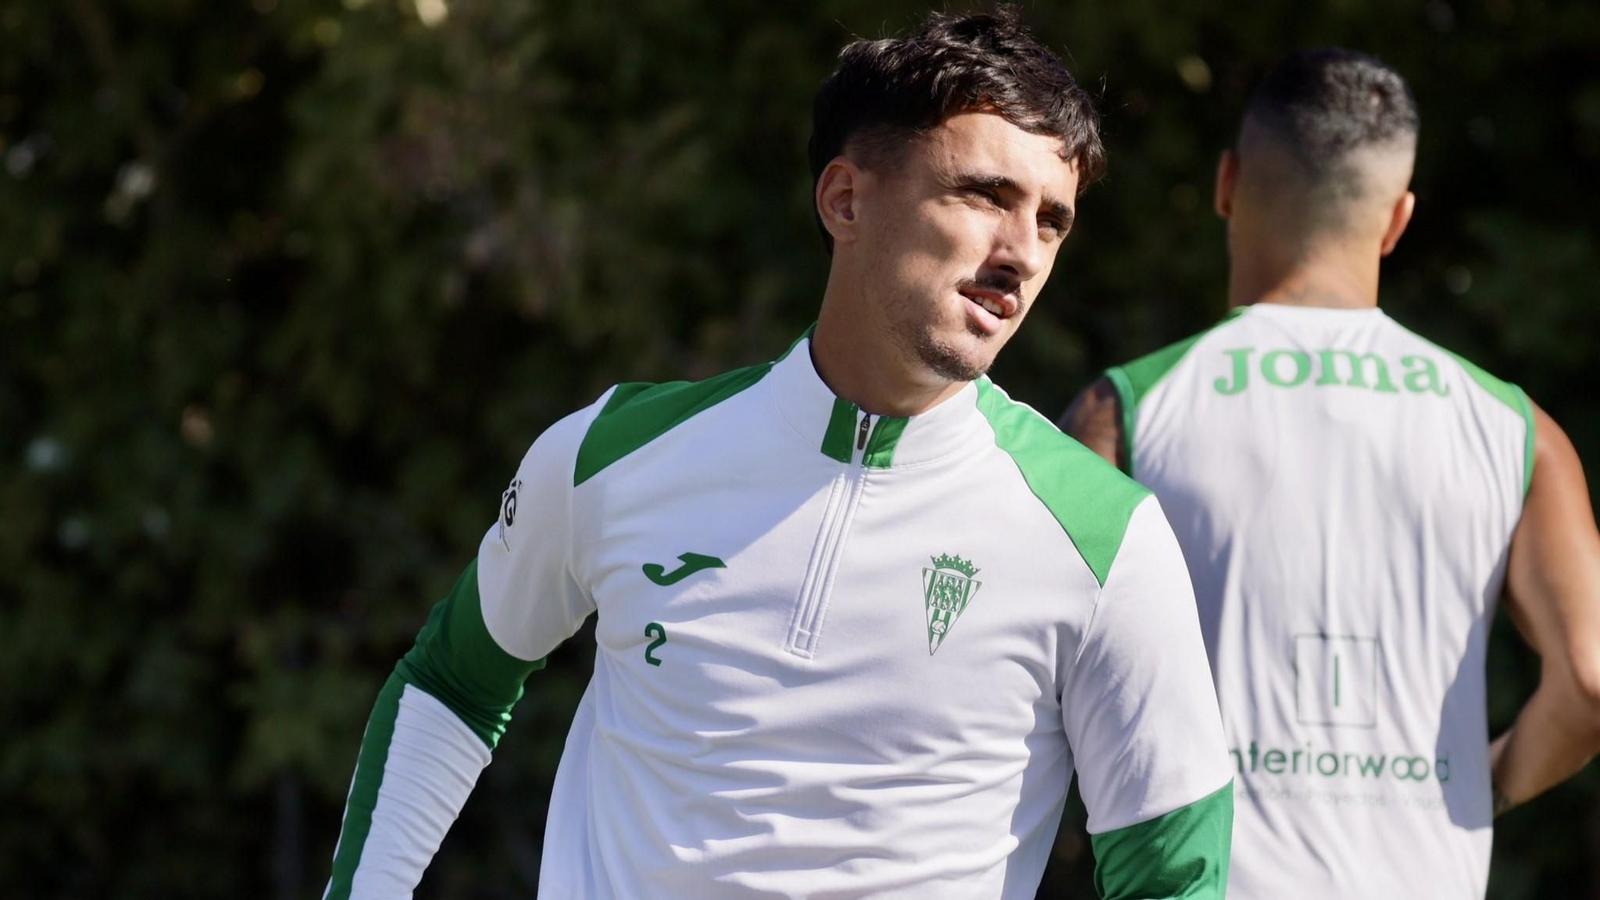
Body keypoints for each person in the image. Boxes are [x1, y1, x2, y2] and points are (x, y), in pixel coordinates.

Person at [323, 9, 1233, 899]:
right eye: (985, 195)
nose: (1021, 253)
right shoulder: (612, 452)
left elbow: (1173, 873)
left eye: (1051, 221)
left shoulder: (1106, 536)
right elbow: (450, 685)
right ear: (845, 200)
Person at [1060, 48, 1600, 899]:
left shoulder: (1123, 412)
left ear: (1227, 183)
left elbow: (1032, 683)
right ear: (1397, 221)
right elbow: (1590, 680)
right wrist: (1481, 788)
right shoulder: (1518, 430)